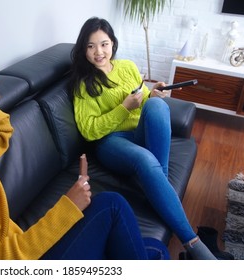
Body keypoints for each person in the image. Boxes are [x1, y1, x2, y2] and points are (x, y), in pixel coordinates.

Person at [0, 57, 170, 260]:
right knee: (112, 206)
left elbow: (3, 127)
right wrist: (68, 207)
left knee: (154, 251)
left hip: (23, 251)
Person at [69, 17, 217, 260]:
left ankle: (157, 184)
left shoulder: (126, 66)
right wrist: (124, 107)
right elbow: (89, 130)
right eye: (91, 46)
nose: (99, 52)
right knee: (145, 159)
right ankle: (193, 242)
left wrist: (153, 94)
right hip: (111, 142)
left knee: (158, 106)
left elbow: (144, 97)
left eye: (104, 44)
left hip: (138, 132)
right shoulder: (83, 84)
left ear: (113, 44)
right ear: (83, 48)